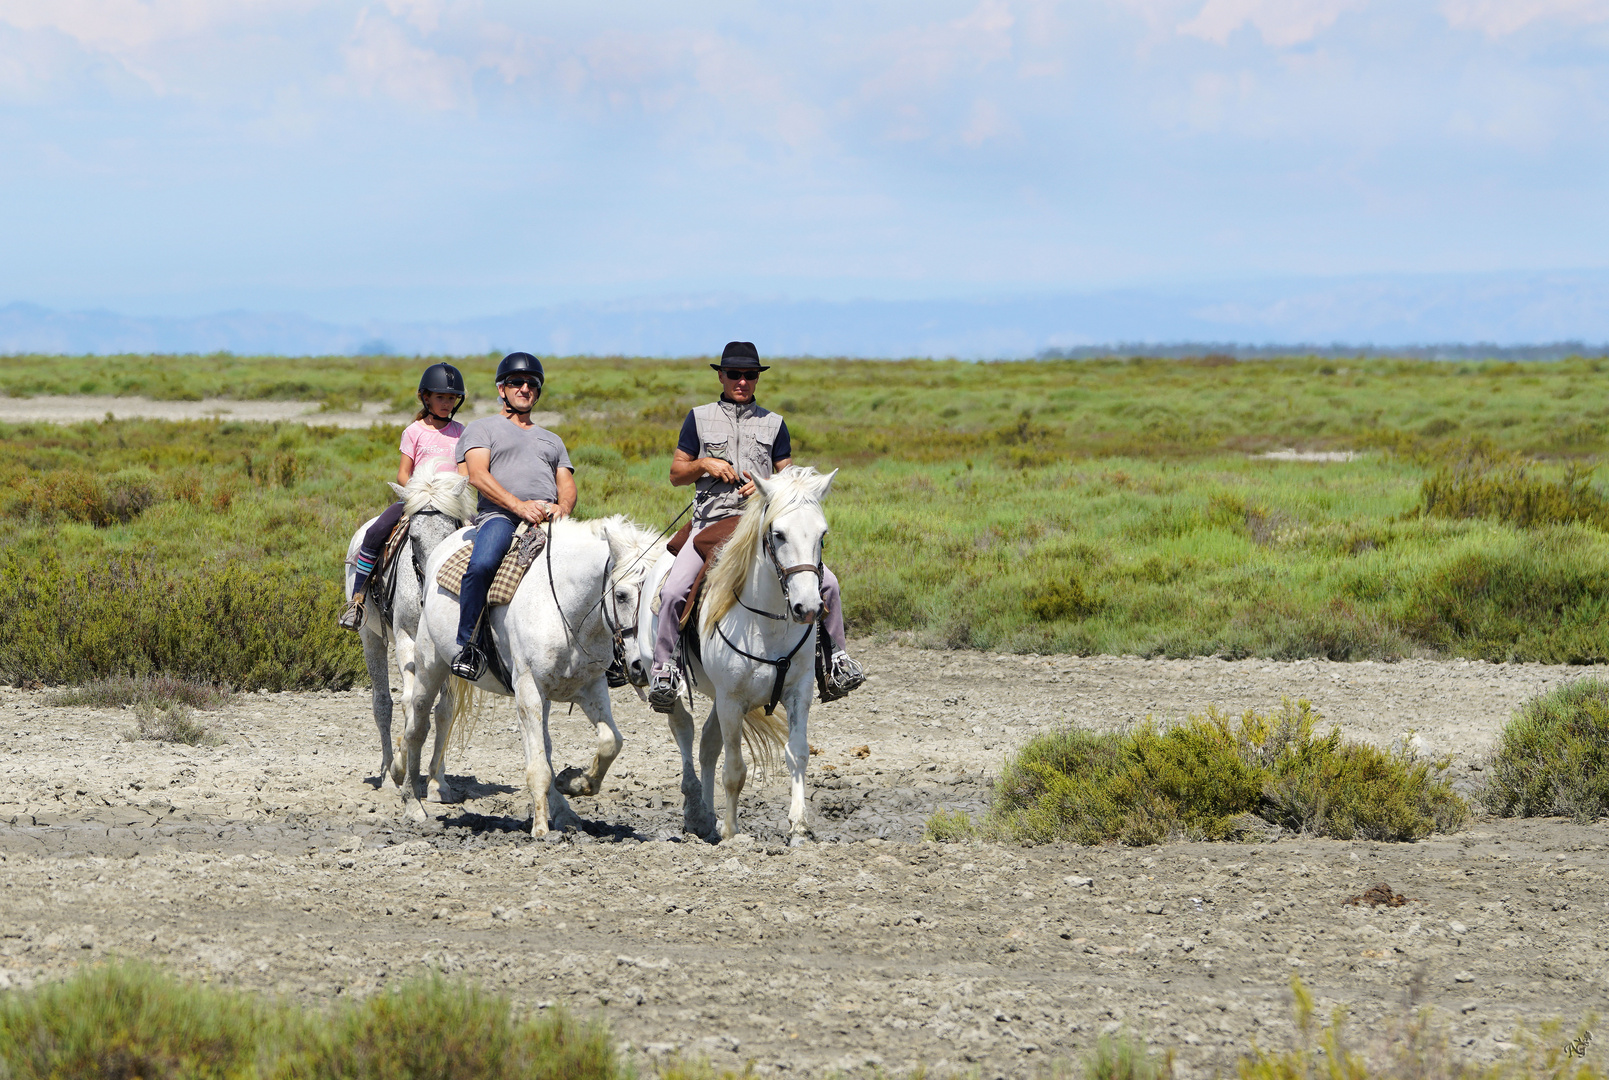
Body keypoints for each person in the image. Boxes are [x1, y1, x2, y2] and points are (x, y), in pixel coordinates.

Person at [647, 341, 863, 712]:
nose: (742, 382)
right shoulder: (698, 418)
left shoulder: (774, 423)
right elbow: (675, 474)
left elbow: (790, 479)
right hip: (711, 522)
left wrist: (767, 488)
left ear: (757, 379)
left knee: (827, 583)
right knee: (673, 590)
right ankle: (665, 669)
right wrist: (705, 466)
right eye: (734, 374)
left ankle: (836, 661)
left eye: (749, 375)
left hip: (760, 526)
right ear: (721, 376)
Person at [448, 351, 577, 680]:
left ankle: (603, 652)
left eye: (531, 384)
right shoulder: (482, 428)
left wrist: (562, 508)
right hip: (500, 515)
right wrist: (518, 506)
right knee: (482, 563)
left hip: (547, 517)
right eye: (515, 382)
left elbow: (567, 483)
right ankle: (469, 646)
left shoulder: (552, 439)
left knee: (593, 565)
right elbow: (477, 475)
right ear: (501, 389)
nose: (524, 388)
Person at [339, 362, 468, 630]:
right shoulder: (414, 431)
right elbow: (402, 473)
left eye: (451, 398)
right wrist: (418, 494)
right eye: (440, 397)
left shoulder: (461, 432)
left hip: (451, 504)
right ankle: (357, 599)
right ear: (426, 398)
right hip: (417, 499)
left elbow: (464, 473)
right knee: (375, 533)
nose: (446, 403)